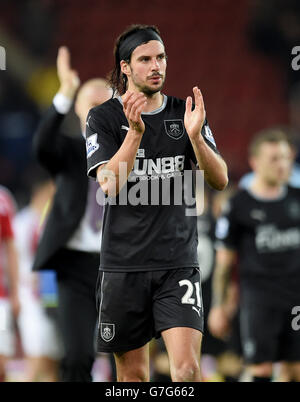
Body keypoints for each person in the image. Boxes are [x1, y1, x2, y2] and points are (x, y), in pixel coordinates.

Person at [85, 24, 228, 382]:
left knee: (188, 370)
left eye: (161, 57)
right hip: (123, 266)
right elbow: (109, 183)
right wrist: (134, 135)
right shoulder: (103, 117)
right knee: (133, 376)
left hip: (177, 263)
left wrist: (195, 138)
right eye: (145, 59)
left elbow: (220, 179)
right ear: (126, 68)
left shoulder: (186, 112)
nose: (156, 66)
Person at [32, 46, 112, 382]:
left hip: (122, 262)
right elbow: (42, 145)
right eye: (88, 103)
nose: (95, 110)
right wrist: (64, 92)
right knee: (79, 355)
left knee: (130, 355)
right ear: (77, 110)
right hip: (75, 267)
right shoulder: (67, 150)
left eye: (103, 104)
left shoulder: (133, 151)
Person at [208, 128, 300, 382]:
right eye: (274, 159)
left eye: (285, 158)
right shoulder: (238, 205)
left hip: (296, 300)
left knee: (295, 370)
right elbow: (224, 262)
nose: (282, 165)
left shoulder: (296, 198)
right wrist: (218, 306)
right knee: (261, 370)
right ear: (255, 162)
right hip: (259, 301)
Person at [14, 174, 63, 381]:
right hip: (30, 296)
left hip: (51, 296)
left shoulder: (53, 220)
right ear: (42, 192)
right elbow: (13, 257)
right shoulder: (23, 222)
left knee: (53, 358)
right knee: (35, 357)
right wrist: (26, 279)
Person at [0, 185, 20, 382]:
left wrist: (15, 292)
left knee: (2, 357)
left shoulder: (3, 200)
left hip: (1, 298)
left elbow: (11, 248)